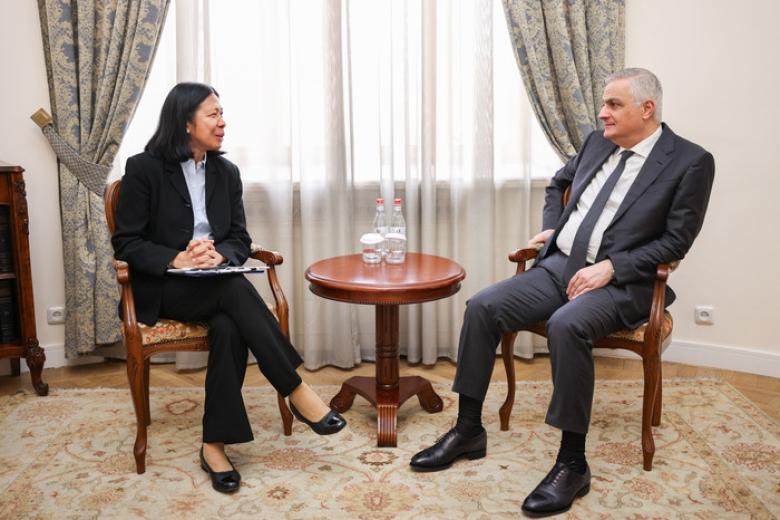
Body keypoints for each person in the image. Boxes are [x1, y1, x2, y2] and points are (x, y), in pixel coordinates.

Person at [409, 68, 714, 517]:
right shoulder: (597, 143)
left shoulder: (690, 161)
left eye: (613, 104)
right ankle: (468, 429)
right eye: (604, 103)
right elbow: (558, 183)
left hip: (622, 283)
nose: (602, 113)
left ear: (647, 109)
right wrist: (554, 227)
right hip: (560, 267)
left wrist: (612, 267)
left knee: (565, 325)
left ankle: (573, 463)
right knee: (482, 306)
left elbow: (675, 241)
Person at [112, 82, 347, 494]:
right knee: (235, 290)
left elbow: (240, 238)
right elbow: (127, 242)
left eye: (222, 114)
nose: (223, 122)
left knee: (229, 324)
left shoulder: (227, 172)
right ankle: (295, 389)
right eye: (213, 114)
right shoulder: (144, 168)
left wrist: (219, 255)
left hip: (215, 282)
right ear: (186, 123)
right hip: (166, 288)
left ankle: (214, 446)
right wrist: (178, 258)